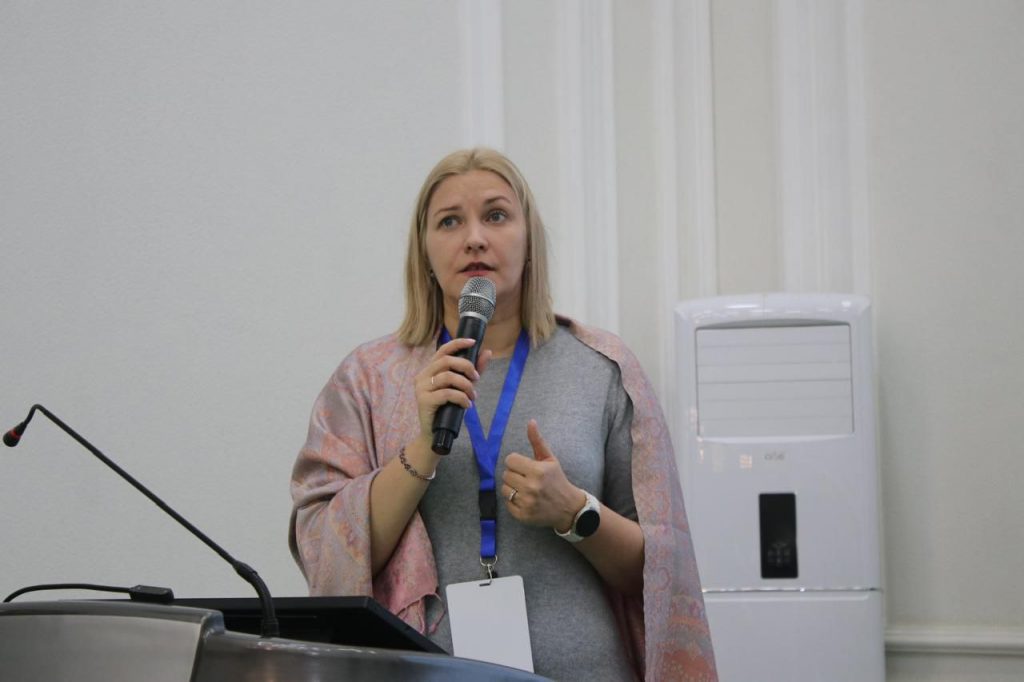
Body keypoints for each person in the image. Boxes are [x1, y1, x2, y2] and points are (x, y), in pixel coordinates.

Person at [289, 148, 717, 681]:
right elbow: (325, 554)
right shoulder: (368, 378)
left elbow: (658, 574)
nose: (474, 238)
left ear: (528, 239)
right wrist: (423, 448)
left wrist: (575, 512)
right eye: (450, 221)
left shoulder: (602, 368)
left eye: (495, 215)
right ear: (424, 250)